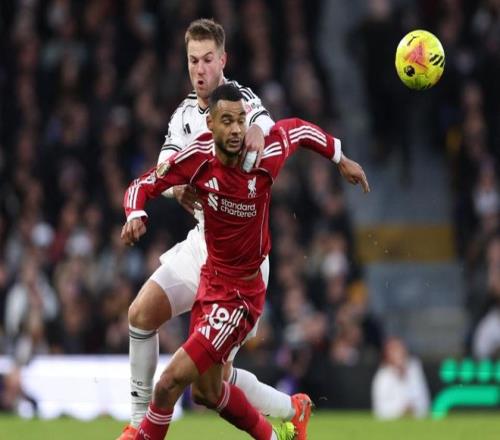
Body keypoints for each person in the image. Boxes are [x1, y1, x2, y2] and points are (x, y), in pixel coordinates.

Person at [121, 84, 369, 440]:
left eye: (241, 120)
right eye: (227, 121)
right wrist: (135, 213)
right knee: (207, 392)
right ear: (211, 124)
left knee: (168, 384)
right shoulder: (197, 157)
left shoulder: (264, 154)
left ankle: (140, 432)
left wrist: (340, 158)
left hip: (239, 296)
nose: (237, 129)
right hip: (209, 281)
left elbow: (299, 129)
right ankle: (283, 424)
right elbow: (144, 183)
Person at [119, 18, 309, 440]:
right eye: (193, 61)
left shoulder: (243, 103)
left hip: (241, 260)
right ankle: (137, 425)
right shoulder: (183, 116)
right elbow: (165, 168)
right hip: (201, 244)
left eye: (208, 60)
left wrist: (256, 130)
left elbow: (266, 125)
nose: (200, 69)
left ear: (223, 60)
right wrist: (175, 191)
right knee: (140, 314)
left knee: (212, 385)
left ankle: (291, 409)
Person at [371, 337, 430, 420]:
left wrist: (413, 409)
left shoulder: (414, 369)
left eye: (400, 351)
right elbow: (380, 410)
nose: (398, 355)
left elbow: (424, 401)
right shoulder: (382, 377)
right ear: (387, 355)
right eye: (394, 351)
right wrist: (401, 411)